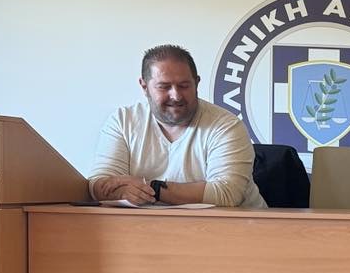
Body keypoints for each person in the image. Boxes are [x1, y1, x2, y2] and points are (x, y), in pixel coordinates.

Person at [87, 44, 264, 209]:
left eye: (184, 86)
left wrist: (152, 188)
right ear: (144, 86)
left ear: (197, 83)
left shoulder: (226, 126)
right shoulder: (122, 121)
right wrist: (120, 190)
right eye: (164, 87)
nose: (176, 95)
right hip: (147, 227)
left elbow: (227, 195)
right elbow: (99, 185)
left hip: (239, 227)